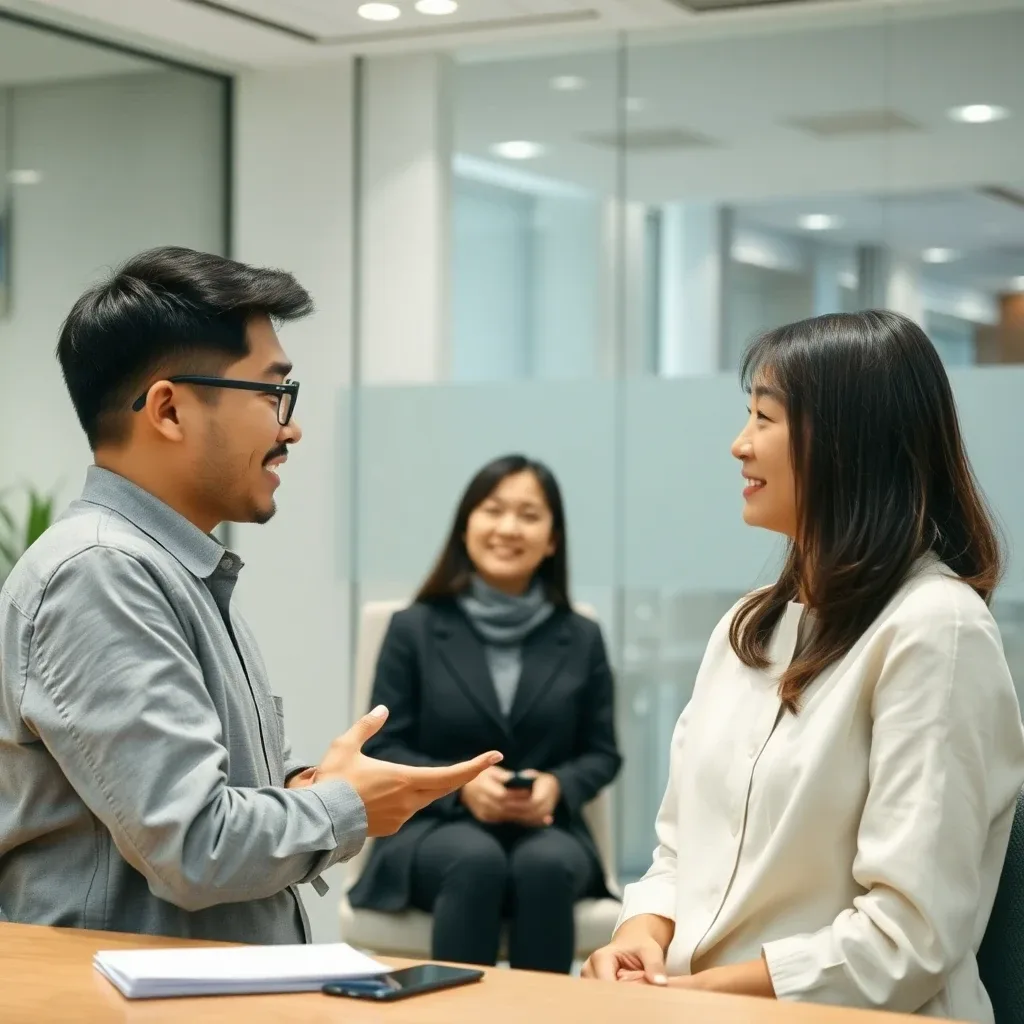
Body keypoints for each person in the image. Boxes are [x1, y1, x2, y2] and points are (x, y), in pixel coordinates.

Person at [0, 246, 500, 943]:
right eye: (272, 393)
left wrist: (302, 788)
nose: (289, 427)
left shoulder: (171, 568)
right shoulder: (100, 573)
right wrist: (347, 804)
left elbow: (189, 807)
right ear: (170, 409)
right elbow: (196, 847)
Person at [582, 310, 1024, 1022]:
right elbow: (678, 850)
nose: (738, 445)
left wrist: (687, 995)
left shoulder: (936, 631)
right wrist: (642, 937)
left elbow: (906, 942)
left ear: (850, 443)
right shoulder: (748, 625)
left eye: (765, 418)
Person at [348, 454, 622, 973]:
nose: (508, 528)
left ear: (553, 539)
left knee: (541, 865)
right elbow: (383, 746)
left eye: (529, 514)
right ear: (466, 524)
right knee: (476, 860)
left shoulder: (580, 635)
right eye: (493, 509)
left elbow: (601, 753)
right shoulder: (414, 628)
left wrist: (556, 786)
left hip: (547, 832)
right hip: (430, 828)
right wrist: (461, 787)